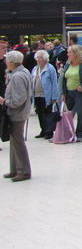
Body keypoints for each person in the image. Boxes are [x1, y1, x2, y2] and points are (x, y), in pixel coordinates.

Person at [0, 50, 33, 182]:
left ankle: (23, 171)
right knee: (14, 141)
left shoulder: (17, 76)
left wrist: (5, 102)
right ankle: (15, 169)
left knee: (18, 142)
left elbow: (19, 98)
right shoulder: (23, 72)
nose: (5, 62)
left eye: (7, 60)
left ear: (12, 62)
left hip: (17, 113)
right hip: (20, 112)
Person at [60, 45, 82, 142]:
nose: (68, 54)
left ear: (75, 54)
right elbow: (63, 79)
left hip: (80, 93)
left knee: (80, 113)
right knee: (66, 113)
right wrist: (62, 93)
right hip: (69, 93)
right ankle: (65, 133)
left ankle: (80, 134)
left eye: (69, 52)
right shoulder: (67, 64)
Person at [31, 50, 59, 139]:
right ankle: (43, 130)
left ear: (45, 59)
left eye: (40, 58)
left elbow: (55, 83)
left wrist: (54, 96)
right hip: (37, 95)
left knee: (48, 114)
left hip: (46, 95)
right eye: (37, 58)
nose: (38, 60)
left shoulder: (50, 68)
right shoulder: (35, 69)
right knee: (40, 113)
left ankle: (49, 131)